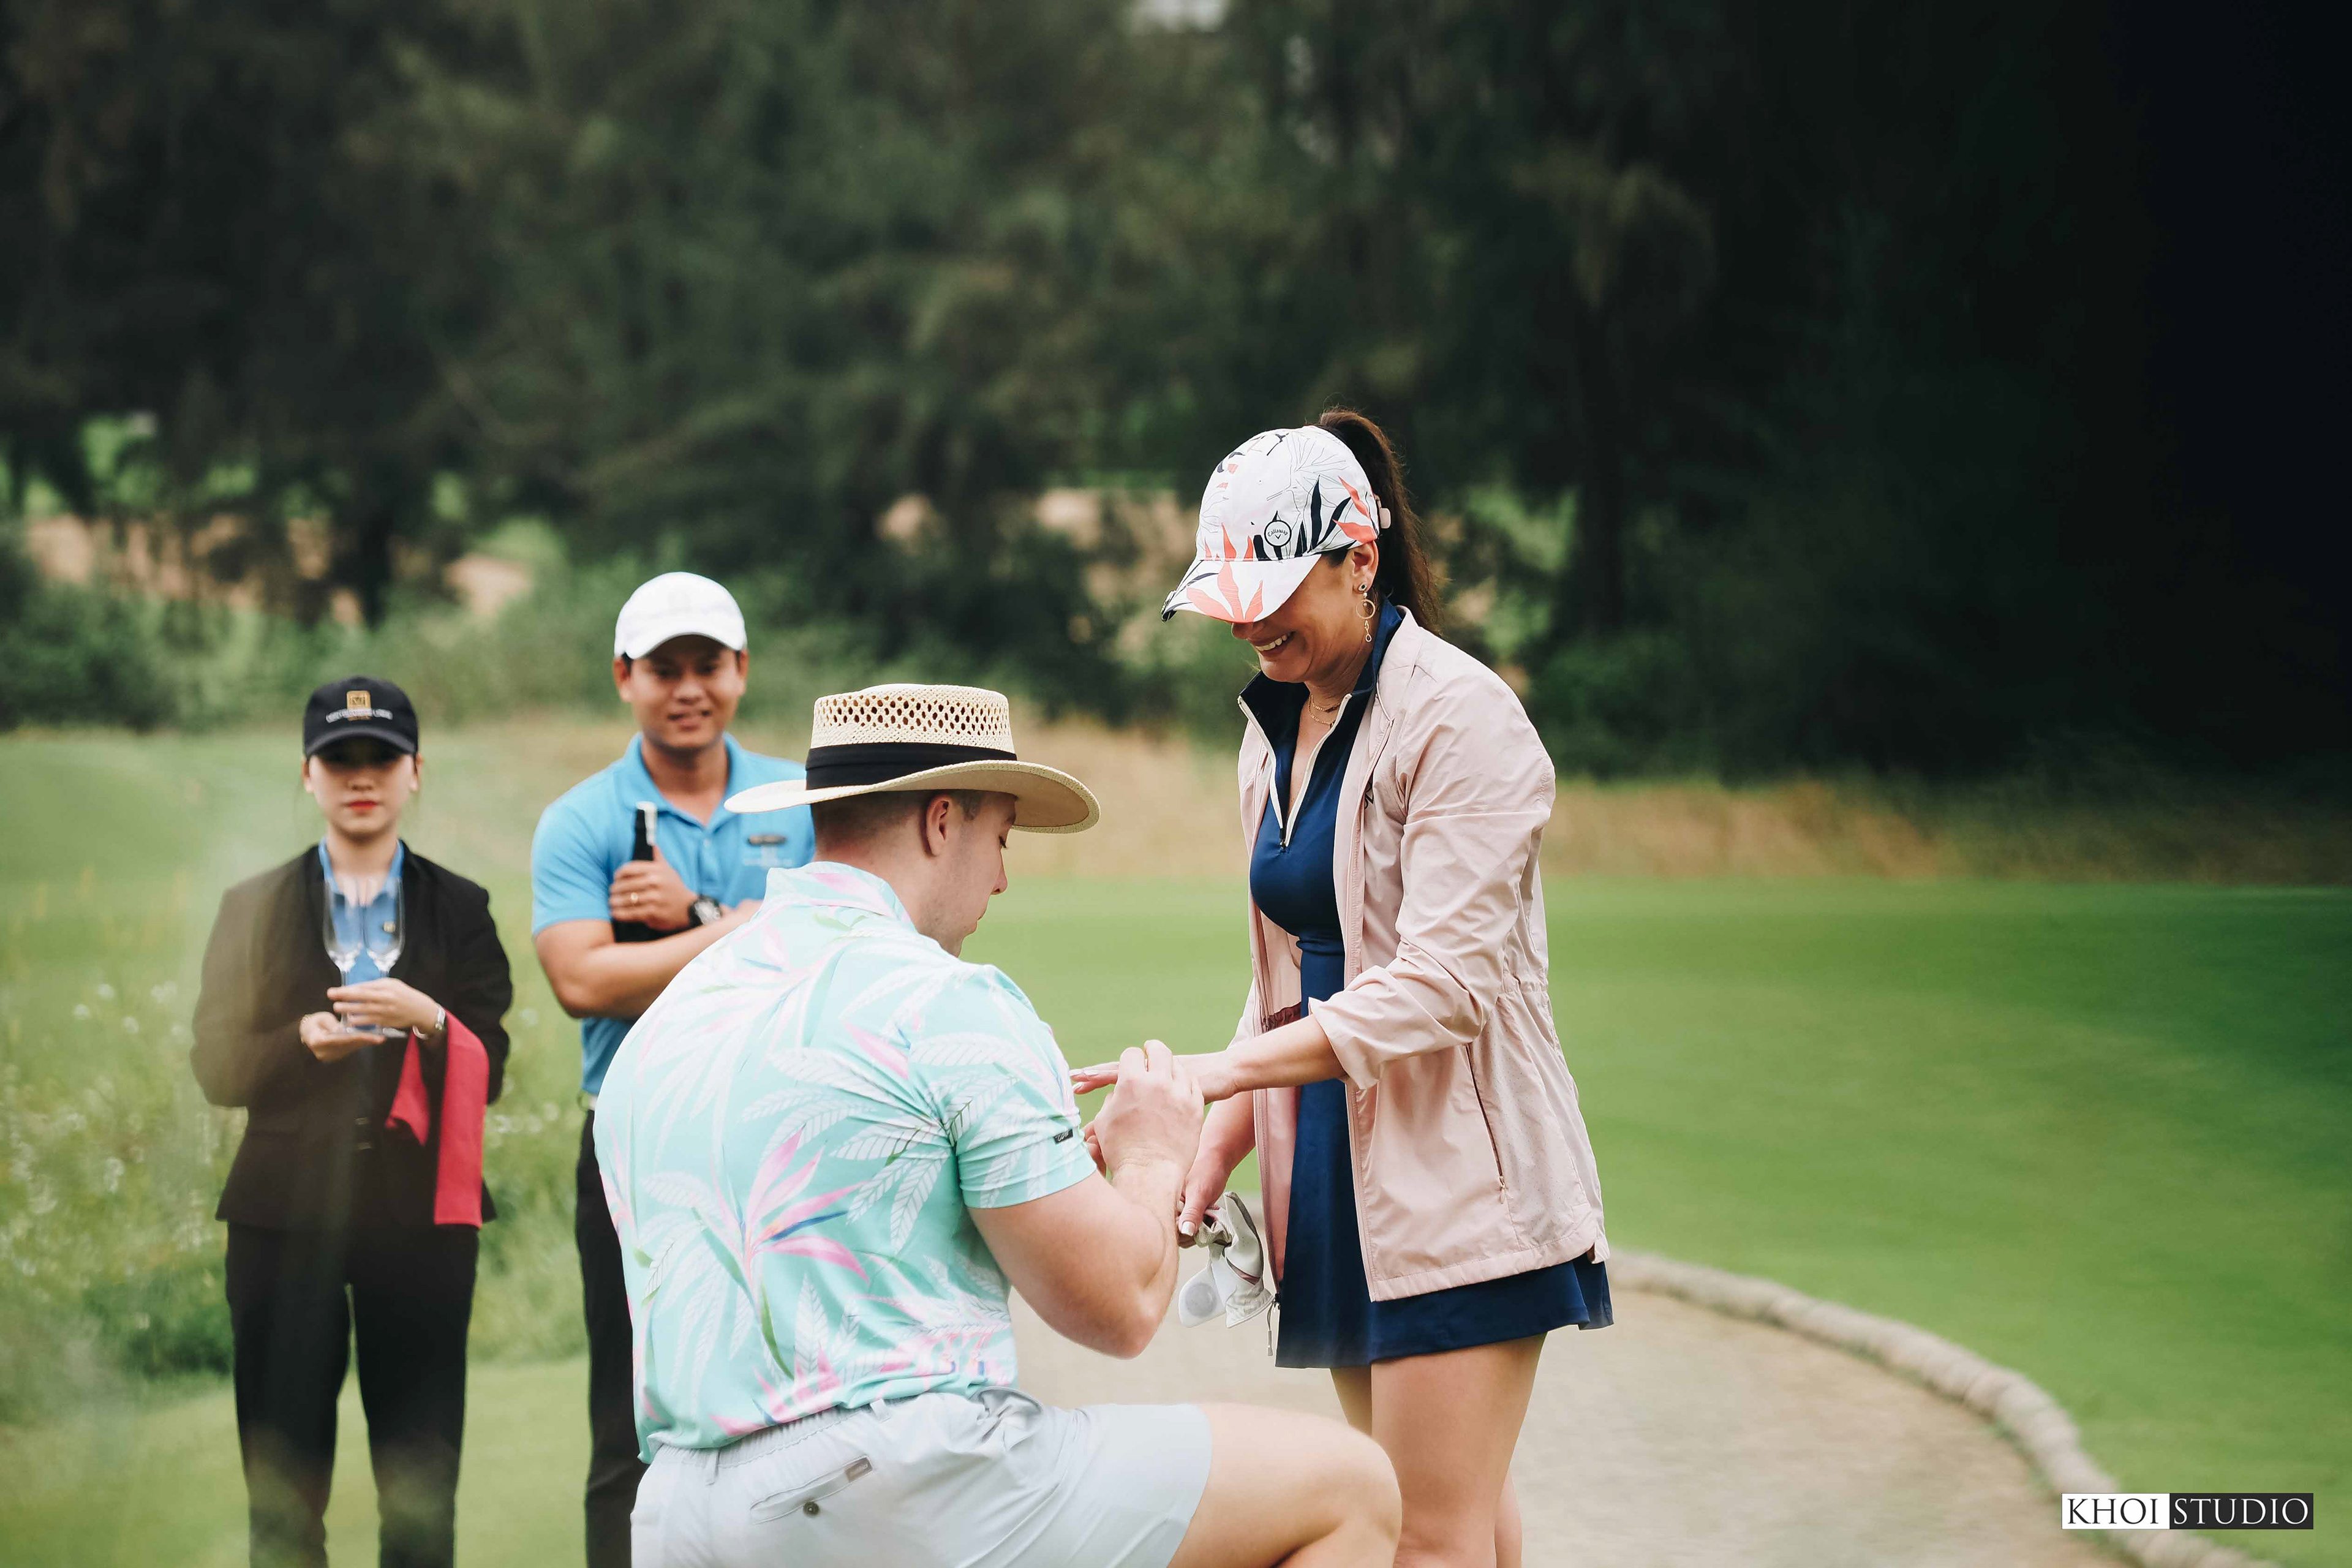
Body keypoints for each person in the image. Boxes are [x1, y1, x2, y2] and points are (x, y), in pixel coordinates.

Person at [594, 683, 1400, 1568]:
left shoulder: (669, 1020)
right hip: (894, 1483)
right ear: (942, 821)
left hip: (676, 1512)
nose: (1003, 878)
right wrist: (1152, 1154)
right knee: (1350, 1487)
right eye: (1002, 839)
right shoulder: (946, 1000)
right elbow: (1120, 1308)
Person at [1088, 412, 1613, 1568]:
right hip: (1333, 1169)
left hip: (1458, 1180)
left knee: (1423, 1537)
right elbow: (1290, 967)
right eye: (1232, 599)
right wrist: (1221, 1131)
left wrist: (1225, 1073)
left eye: (1275, 591)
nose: (1250, 622)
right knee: (1456, 1522)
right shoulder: (1275, 725)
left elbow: (1441, 988)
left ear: (1359, 558)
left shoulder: (1463, 715)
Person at [190, 676, 513, 1568]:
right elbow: (216, 1066)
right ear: (308, 774)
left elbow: (489, 1067)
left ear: (416, 771)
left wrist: (429, 1019)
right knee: (283, 1496)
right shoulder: (251, 907)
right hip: (281, 1218)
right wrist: (300, 1039)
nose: (361, 776)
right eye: (340, 759)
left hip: (422, 1222)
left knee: (420, 1492)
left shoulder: (462, 906)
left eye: (381, 757)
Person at [529, 571, 816, 1567]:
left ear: (741, 670)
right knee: (631, 1416)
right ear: (625, 678)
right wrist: (747, 924)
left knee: (799, 1401)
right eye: (664, 669)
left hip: (781, 1134)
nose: (687, 688)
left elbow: (834, 953)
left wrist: (690, 917)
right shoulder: (582, 818)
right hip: (636, 1139)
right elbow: (582, 980)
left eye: (707, 665)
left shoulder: (803, 797)